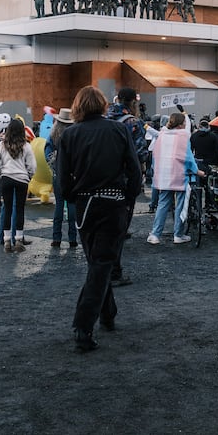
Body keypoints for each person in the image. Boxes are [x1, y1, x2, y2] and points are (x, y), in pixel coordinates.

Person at [58, 86, 142, 352]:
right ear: (104, 105)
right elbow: (135, 169)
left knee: (98, 262)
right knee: (101, 263)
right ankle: (84, 326)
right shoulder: (118, 130)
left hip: (84, 206)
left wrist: (74, 197)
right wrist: (128, 198)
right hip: (114, 202)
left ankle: (108, 315)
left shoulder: (69, 135)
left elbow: (62, 178)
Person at [105, 86, 148, 287]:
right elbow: (140, 153)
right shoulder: (132, 122)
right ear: (133, 102)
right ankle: (115, 271)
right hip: (123, 181)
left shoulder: (104, 119)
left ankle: (101, 267)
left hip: (102, 178)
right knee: (119, 228)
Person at [146, 112, 200, 244]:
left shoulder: (162, 135)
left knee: (162, 204)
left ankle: (155, 234)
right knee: (181, 205)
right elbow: (187, 157)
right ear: (182, 124)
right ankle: (178, 234)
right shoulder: (184, 136)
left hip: (163, 175)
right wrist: (197, 171)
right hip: (180, 174)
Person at [0, 117, 36, 252]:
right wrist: (29, 176)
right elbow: (32, 166)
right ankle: (19, 240)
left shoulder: (1, 145)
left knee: (7, 209)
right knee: (20, 209)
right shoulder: (26, 146)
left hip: (6, 179)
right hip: (22, 180)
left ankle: (7, 241)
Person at [46, 108, 78, 248]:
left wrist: (56, 167)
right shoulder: (75, 134)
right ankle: (72, 239)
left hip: (58, 175)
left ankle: (56, 238)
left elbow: (47, 155)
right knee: (72, 206)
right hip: (72, 176)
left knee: (58, 205)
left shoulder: (53, 135)